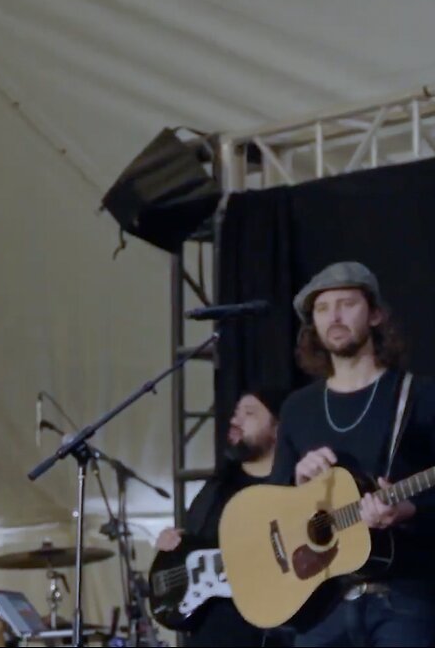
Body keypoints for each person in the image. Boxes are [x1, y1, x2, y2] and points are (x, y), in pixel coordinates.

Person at [268, 261, 435, 647]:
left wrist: (409, 510)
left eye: (346, 303)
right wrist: (297, 484)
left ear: (375, 314)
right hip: (319, 604)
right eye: (322, 309)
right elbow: (273, 502)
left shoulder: (418, 396)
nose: (334, 316)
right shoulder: (298, 407)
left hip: (402, 599)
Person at [154, 387, 288, 647]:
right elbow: (191, 546)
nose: (235, 421)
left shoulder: (290, 487)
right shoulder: (217, 487)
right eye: (236, 413)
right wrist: (169, 544)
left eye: (249, 414)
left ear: (277, 429)